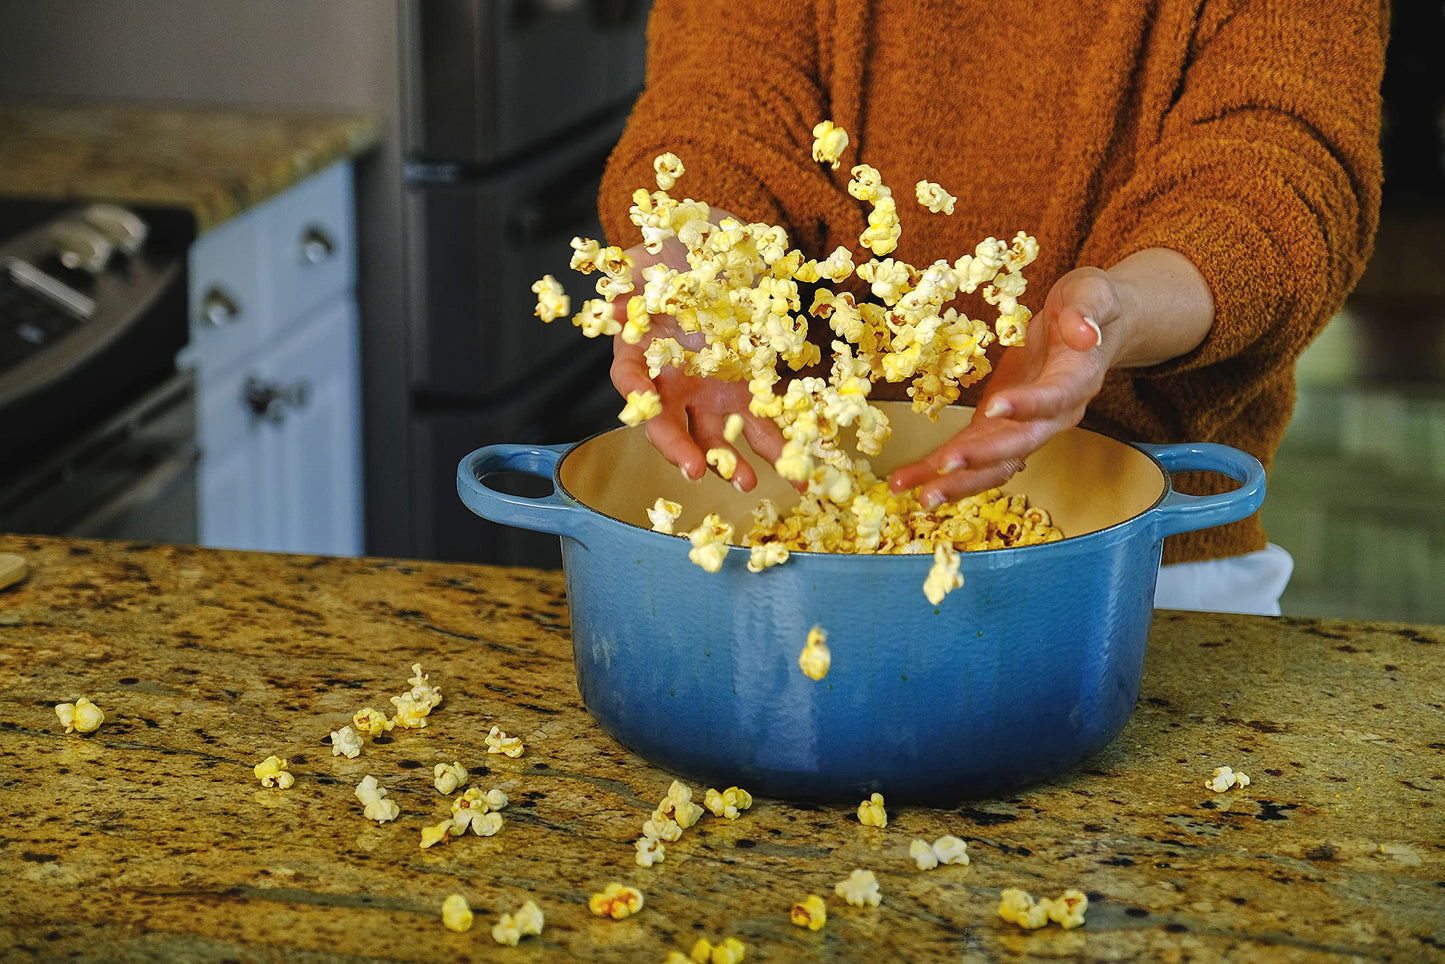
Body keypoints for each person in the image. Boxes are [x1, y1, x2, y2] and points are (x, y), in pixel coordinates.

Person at [597, 0, 1386, 615]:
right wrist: (696, 263)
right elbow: (721, 101)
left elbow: (1274, 166)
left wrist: (1119, 313)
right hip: (778, 535)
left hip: (1144, 568)